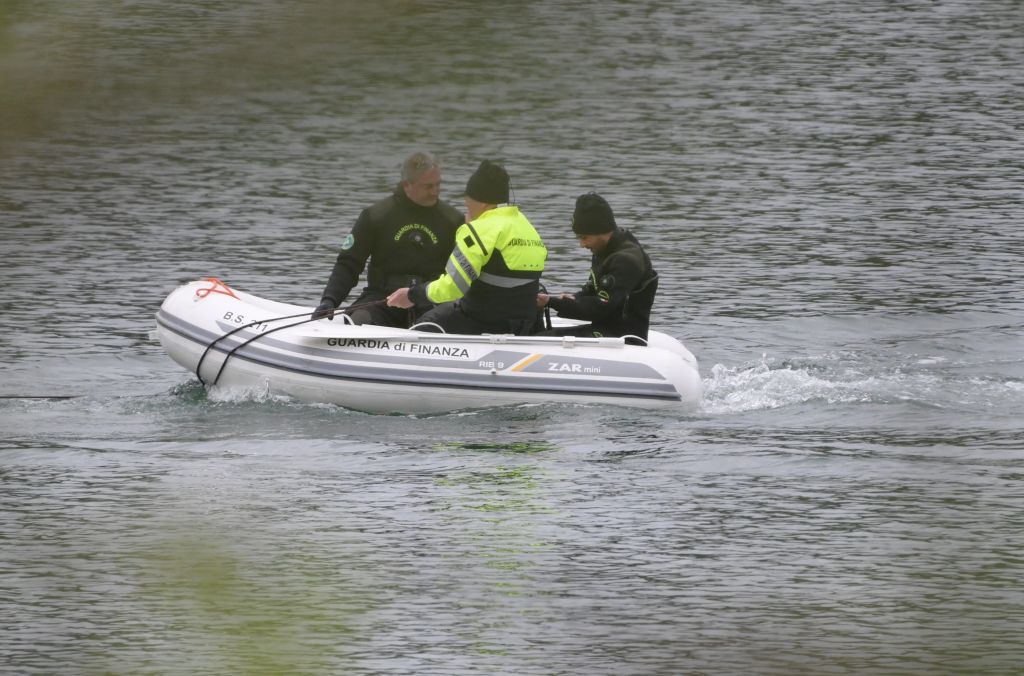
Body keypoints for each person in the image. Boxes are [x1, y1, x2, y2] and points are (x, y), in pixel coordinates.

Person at [386, 160, 547, 335]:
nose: (466, 204)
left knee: (425, 325)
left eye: (468, 200)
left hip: (484, 321)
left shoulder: (477, 230)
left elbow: (453, 287)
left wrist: (412, 295)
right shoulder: (526, 226)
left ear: (481, 201)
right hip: (523, 322)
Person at [311, 152, 463, 326]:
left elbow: (463, 273)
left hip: (429, 300)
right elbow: (349, 264)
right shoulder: (376, 216)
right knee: (360, 320)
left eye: (438, 185)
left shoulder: (453, 221)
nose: (435, 192)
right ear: (407, 185)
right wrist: (330, 300)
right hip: (383, 300)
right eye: (428, 186)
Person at [537, 192, 658, 341]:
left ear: (600, 230)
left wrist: (553, 302)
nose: (582, 244)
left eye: (584, 237)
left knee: (543, 339)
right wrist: (574, 298)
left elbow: (600, 308)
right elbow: (592, 290)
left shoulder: (626, 260)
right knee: (538, 334)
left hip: (624, 337)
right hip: (604, 328)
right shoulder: (604, 249)